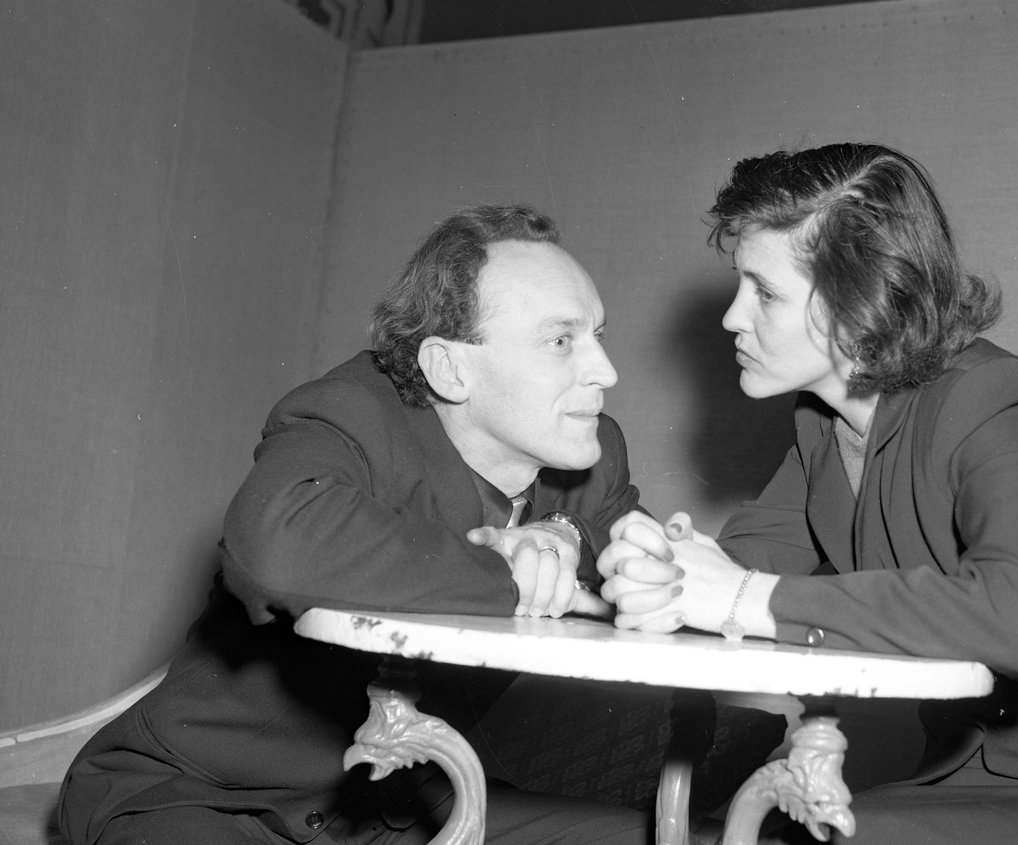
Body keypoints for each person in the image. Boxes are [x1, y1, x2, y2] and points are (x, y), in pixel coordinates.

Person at [597, 144, 1018, 844]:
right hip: (973, 777)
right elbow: (748, 558)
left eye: (765, 292)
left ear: (860, 301)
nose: (734, 317)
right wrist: (659, 569)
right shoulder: (822, 425)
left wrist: (740, 596)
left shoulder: (993, 397)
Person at [59, 204, 652, 845]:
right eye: (561, 341)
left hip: (393, 806)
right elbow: (279, 542)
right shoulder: (354, 410)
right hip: (205, 797)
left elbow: (655, 567)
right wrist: (505, 569)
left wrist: (567, 534)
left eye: (598, 335)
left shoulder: (591, 454)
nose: (605, 371)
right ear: (449, 368)